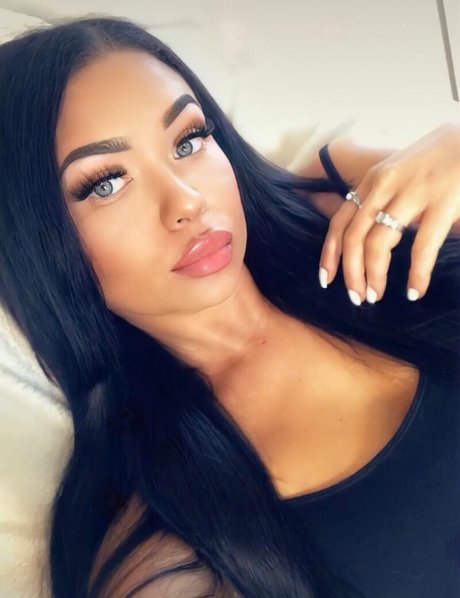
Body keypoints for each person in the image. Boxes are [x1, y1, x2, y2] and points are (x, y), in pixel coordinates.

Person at [0, 14, 458, 598]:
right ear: (35, 242)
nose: (187, 202)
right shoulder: (164, 545)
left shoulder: (344, 192)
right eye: (106, 183)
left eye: (188, 140)